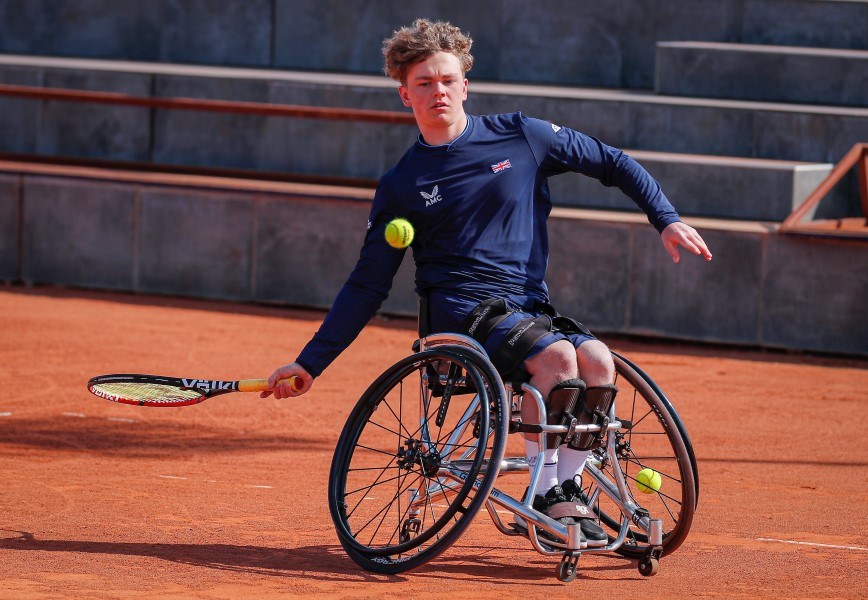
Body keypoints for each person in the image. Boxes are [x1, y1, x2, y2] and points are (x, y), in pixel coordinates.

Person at [265, 18, 711, 546]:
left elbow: (612, 162)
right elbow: (367, 285)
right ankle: (545, 497)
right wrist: (310, 362)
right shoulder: (401, 185)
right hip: (458, 313)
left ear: (465, 85)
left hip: (527, 306)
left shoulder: (521, 136)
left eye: (448, 80)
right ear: (405, 94)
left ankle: (563, 487)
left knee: (598, 362)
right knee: (558, 361)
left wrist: (666, 218)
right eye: (425, 84)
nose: (439, 92)